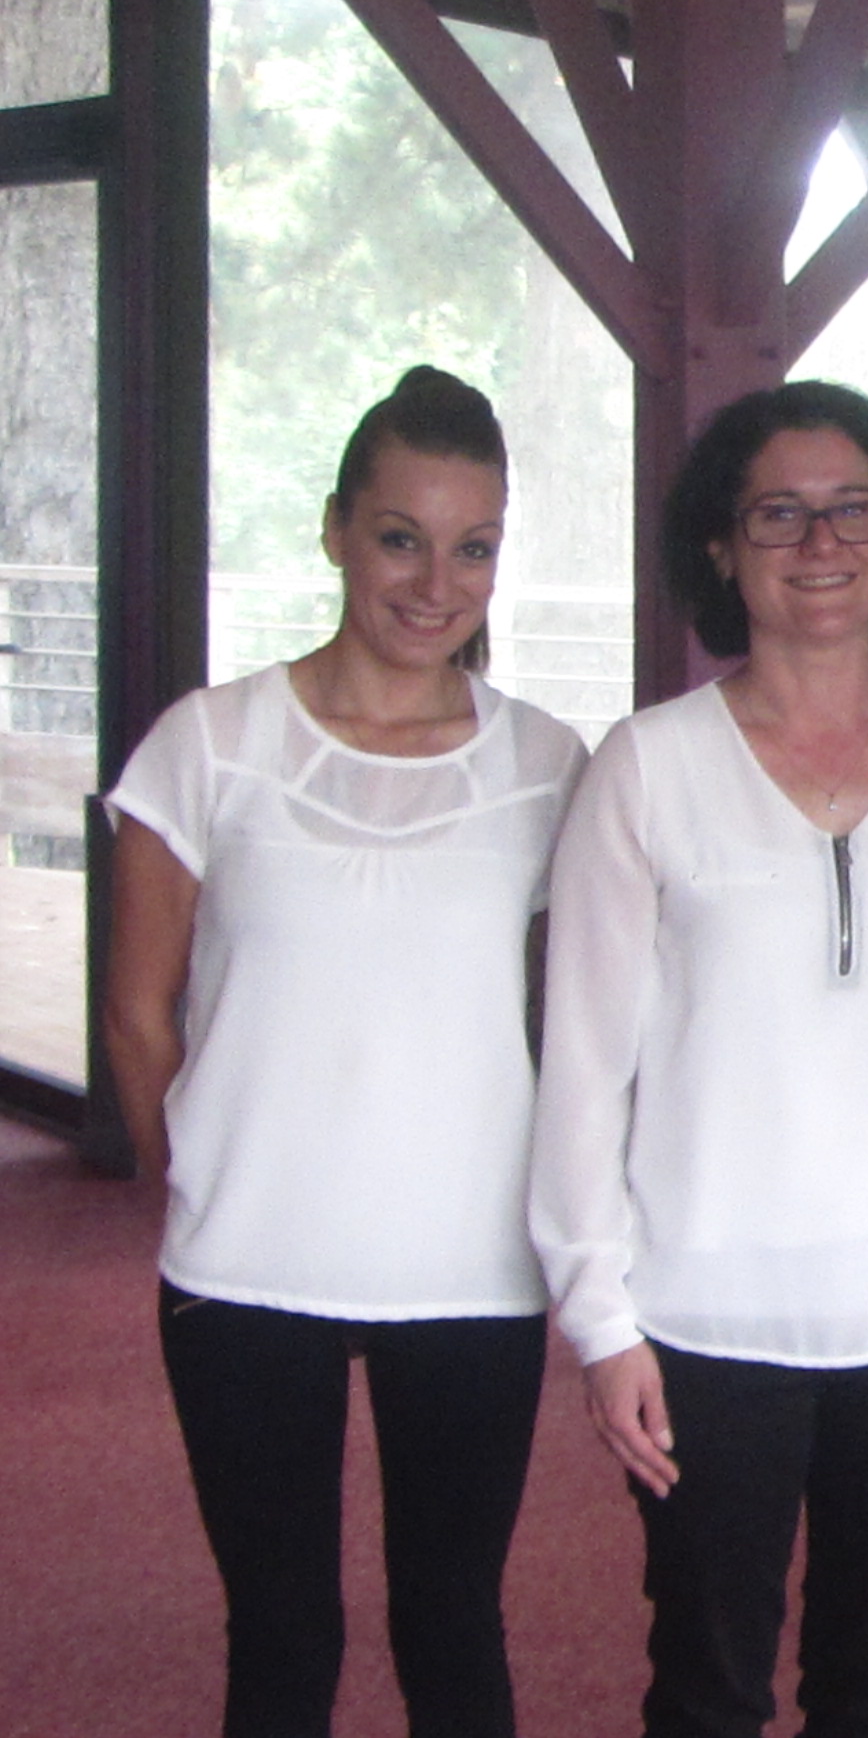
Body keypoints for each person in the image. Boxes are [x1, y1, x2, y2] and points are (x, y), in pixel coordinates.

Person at [528, 382, 868, 1738]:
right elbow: (583, 1068)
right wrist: (600, 1317)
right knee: (707, 1687)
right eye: (778, 511)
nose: (819, 542)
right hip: (708, 1314)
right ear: (720, 547)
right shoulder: (646, 768)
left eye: (854, 510)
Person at [103, 365, 587, 1738]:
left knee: (452, 1630)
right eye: (400, 537)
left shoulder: (552, 768)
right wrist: (188, 1173)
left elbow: (602, 1007)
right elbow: (139, 1015)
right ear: (334, 530)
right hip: (249, 1269)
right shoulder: (210, 745)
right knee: (283, 1640)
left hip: (475, 1270)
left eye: (474, 546)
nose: (436, 581)